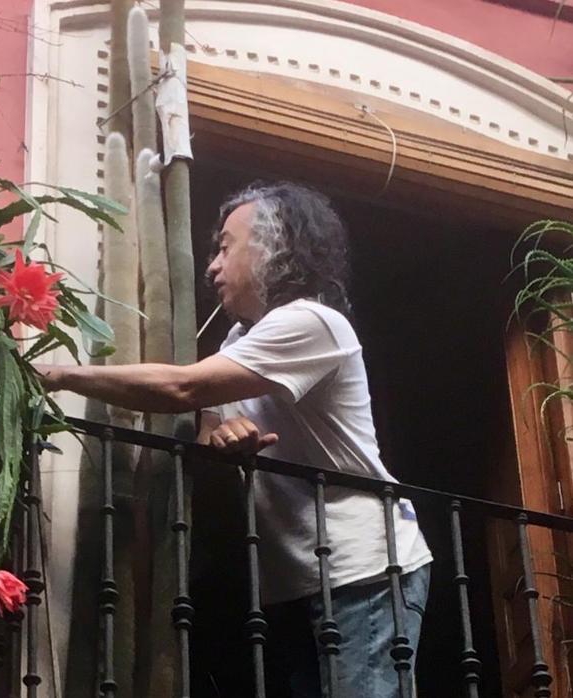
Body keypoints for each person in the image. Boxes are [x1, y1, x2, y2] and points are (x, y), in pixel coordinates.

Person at [38, 182, 431, 697]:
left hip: (366, 567)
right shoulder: (238, 342)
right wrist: (220, 432)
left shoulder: (311, 323)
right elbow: (207, 420)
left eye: (226, 246)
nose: (213, 267)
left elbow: (185, 386)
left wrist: (61, 376)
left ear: (272, 248)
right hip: (298, 577)